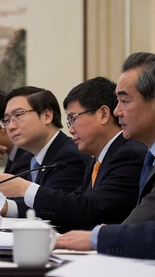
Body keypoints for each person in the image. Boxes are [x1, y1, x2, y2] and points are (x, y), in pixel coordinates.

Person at [0, 78, 146, 231]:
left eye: (73, 118)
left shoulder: (129, 154)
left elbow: (89, 208)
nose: (71, 130)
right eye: (69, 121)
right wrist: (10, 206)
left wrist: (26, 189)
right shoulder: (97, 161)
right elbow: (71, 204)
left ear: (103, 114)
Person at [58, 53, 155, 254]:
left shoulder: (130, 154)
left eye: (124, 101)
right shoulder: (148, 158)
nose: (117, 112)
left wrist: (99, 237)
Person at [0, 86, 91, 217]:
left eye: (18, 115)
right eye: (7, 120)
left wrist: (5, 206)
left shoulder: (68, 157)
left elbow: (56, 211)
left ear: (47, 116)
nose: (10, 126)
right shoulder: (34, 158)